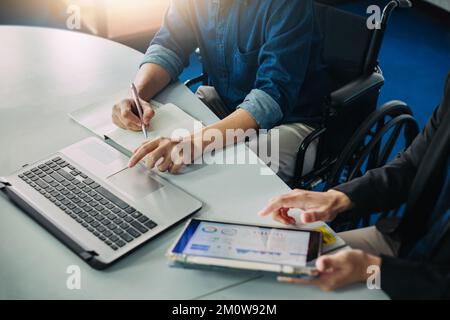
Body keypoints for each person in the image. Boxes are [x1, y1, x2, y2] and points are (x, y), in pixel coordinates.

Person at [258, 73, 450, 299]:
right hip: (407, 243)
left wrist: (370, 270)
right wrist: (338, 198)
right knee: (270, 268)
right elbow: (414, 165)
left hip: (426, 280)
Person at [111, 0, 329, 185]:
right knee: (162, 156)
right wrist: (137, 96)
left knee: (215, 177)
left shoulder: (288, 5)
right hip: (228, 105)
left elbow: (271, 97)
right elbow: (169, 46)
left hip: (291, 123)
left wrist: (194, 143)